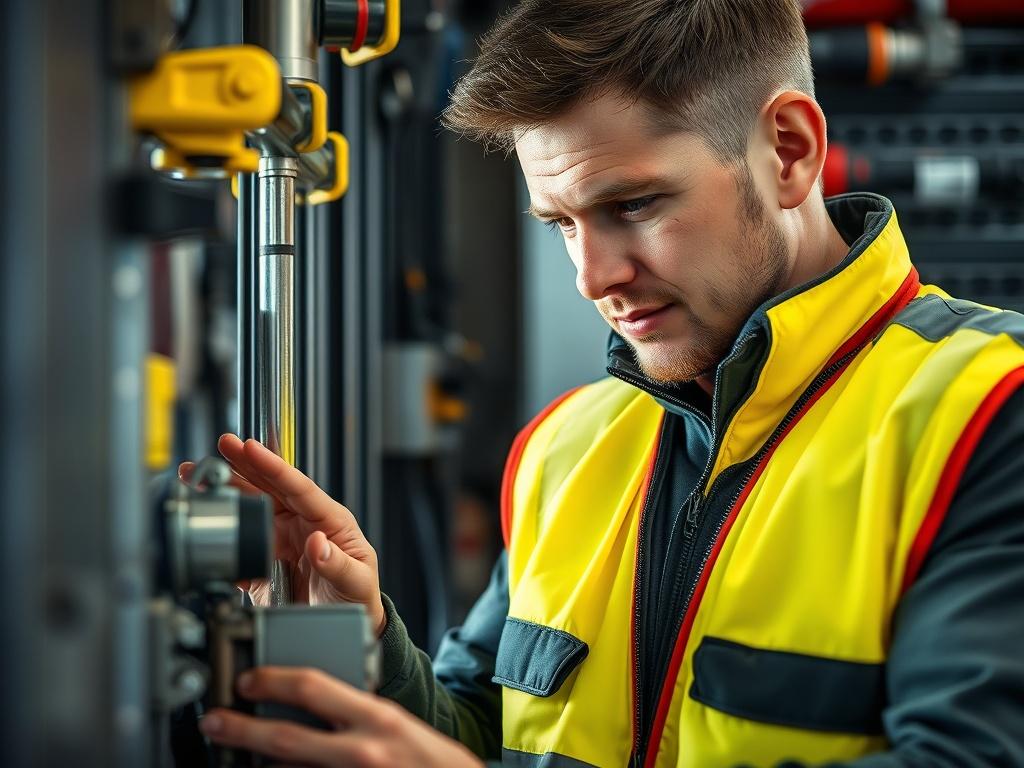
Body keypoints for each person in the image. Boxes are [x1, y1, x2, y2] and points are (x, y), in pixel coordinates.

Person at [188, 0, 1024, 765]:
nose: (592, 278)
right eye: (560, 223)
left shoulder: (987, 411)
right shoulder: (565, 447)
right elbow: (484, 737)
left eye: (632, 205)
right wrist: (364, 641)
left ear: (790, 151)